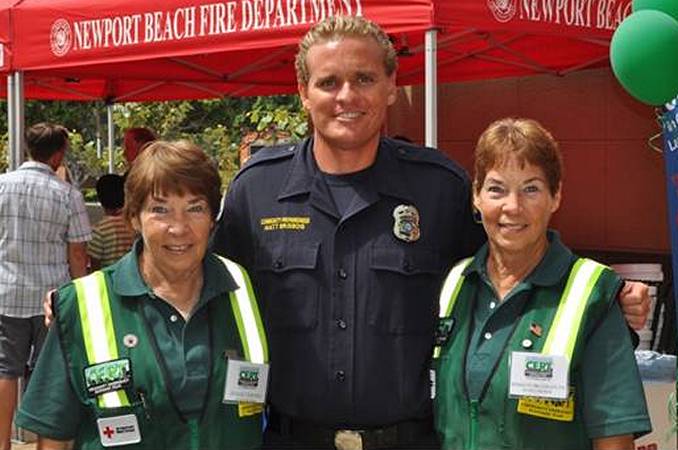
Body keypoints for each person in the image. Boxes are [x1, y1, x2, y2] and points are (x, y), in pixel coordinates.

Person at [213, 15, 650, 450]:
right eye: (328, 82)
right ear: (303, 94)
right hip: (290, 440)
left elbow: (507, 274)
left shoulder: (437, 188)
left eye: (364, 78)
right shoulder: (257, 191)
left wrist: (598, 300)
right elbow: (202, 293)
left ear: (389, 86)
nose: (347, 96)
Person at [16, 141, 268, 450]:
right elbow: (54, 434)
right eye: (160, 210)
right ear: (134, 217)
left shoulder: (244, 287)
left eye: (195, 208)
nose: (178, 228)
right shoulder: (82, 305)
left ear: (213, 218)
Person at [433, 118, 651, 450]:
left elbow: (614, 439)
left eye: (531, 189)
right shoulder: (455, 285)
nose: (513, 206)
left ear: (556, 196)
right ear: (476, 196)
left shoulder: (592, 295)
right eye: (496, 189)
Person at [0, 122, 91, 450]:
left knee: (4, 369)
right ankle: (44, 446)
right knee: (48, 372)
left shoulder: (1, 185)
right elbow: (78, 253)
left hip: (5, 293)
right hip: (52, 299)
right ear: (58, 153)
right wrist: (83, 294)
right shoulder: (68, 194)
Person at [87, 174, 136, 270]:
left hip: (109, 281)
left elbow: (95, 265)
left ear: (100, 199)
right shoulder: (135, 224)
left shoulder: (100, 230)